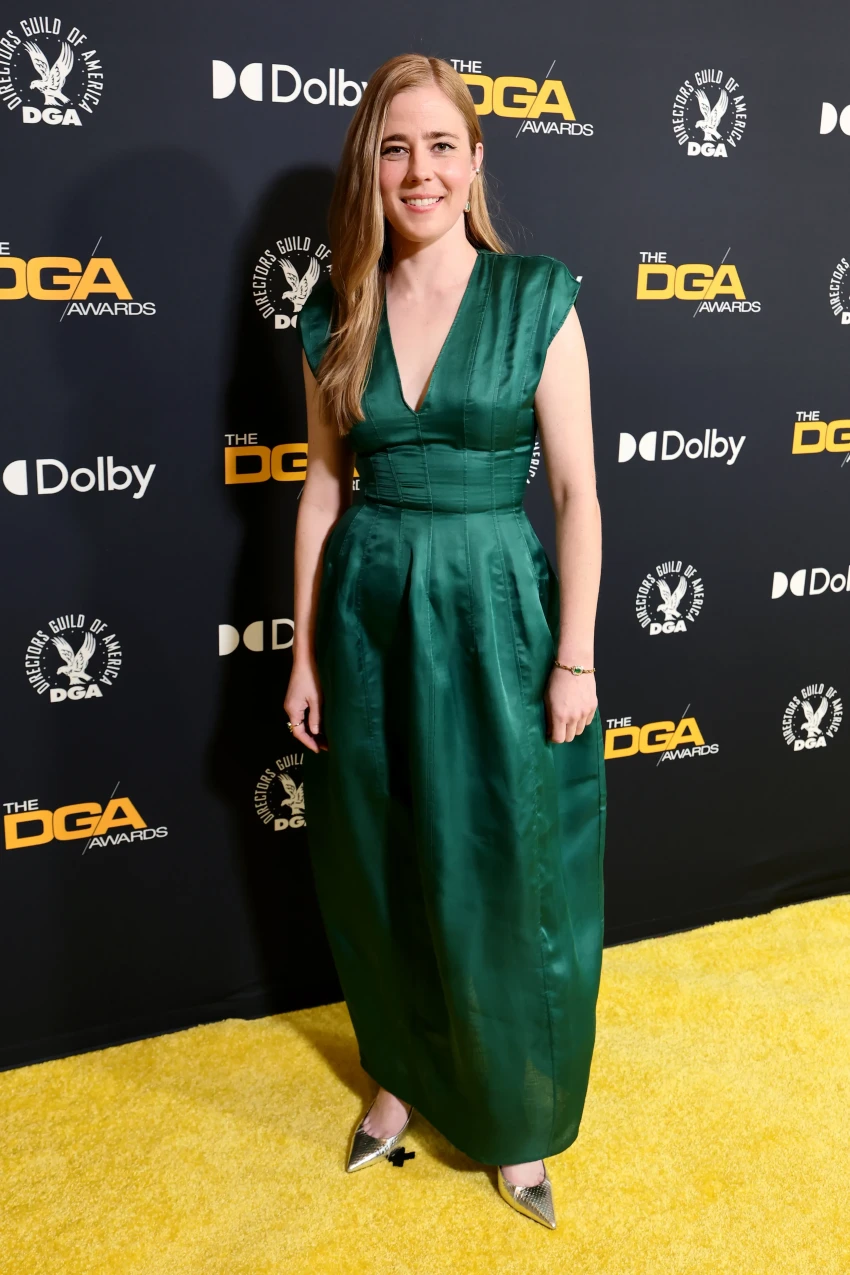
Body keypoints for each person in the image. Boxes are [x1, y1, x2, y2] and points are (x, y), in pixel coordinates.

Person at [284, 52, 606, 1230]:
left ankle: (517, 1116)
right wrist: (303, 654)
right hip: (367, 610)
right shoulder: (335, 313)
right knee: (379, 854)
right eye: (393, 148)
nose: (417, 170)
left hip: (495, 610)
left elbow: (574, 493)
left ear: (475, 160)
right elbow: (323, 492)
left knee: (508, 863)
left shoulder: (535, 298)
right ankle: (398, 1073)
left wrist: (574, 656)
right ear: (368, 169)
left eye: (438, 145)